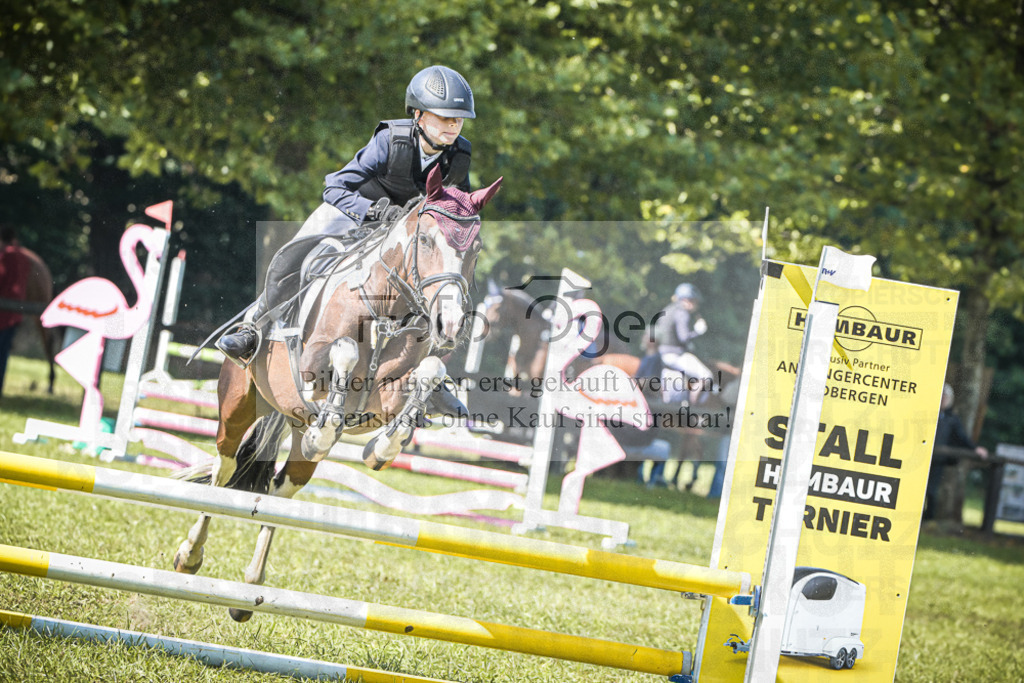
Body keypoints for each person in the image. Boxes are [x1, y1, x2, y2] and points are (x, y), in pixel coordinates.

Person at [215, 65, 476, 414]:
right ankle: (253, 326)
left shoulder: (459, 156)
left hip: (401, 234)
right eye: (445, 117)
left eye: (458, 119)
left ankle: (432, 373)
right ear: (418, 114)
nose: (453, 125)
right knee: (301, 252)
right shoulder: (390, 140)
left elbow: (455, 207)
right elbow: (335, 186)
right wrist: (375, 211)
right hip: (352, 210)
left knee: (440, 281)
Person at [923, 383, 988, 521]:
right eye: (941, 397)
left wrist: (975, 448)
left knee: (931, 491)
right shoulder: (926, 413)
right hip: (922, 458)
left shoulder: (952, 418)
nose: (943, 400)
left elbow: (961, 437)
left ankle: (928, 519)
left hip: (938, 460)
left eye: (945, 397)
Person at [654, 283, 715, 405]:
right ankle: (694, 408)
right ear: (687, 300)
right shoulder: (682, 312)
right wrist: (698, 331)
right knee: (707, 376)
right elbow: (684, 337)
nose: (696, 305)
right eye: (695, 301)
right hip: (675, 355)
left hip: (662, 354)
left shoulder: (667, 309)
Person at [0, 226, 31, 397]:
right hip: (15, 315)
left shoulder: (4, 257)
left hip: (2, 315)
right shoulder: (24, 257)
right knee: (3, 355)